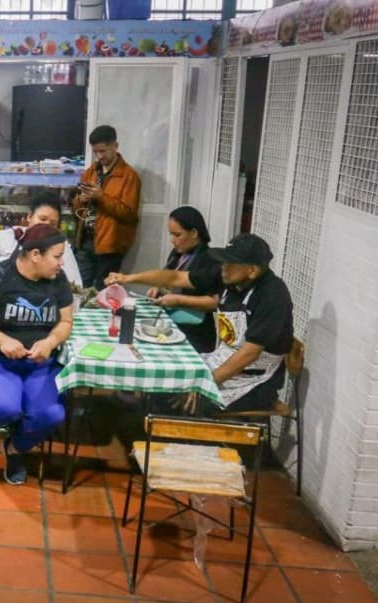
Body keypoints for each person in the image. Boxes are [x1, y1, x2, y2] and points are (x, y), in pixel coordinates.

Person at [106, 233, 294, 412]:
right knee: (164, 383)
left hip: (253, 381)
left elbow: (249, 354)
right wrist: (127, 278)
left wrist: (205, 383)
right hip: (220, 359)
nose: (223, 267)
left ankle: (182, 441)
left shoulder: (272, 296)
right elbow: (176, 277)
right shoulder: (230, 278)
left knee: (180, 403)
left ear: (252, 270)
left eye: (230, 263)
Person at [0, 224, 75, 485]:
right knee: (4, 406)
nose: (60, 263)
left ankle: (15, 448)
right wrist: (2, 340)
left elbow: (66, 321)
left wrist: (51, 341)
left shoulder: (58, 280)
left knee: (51, 414)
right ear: (35, 255)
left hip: (40, 364)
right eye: (56, 256)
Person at [71, 125, 141, 289]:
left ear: (115, 146)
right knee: (79, 289)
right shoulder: (91, 172)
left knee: (103, 295)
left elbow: (129, 214)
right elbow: (76, 207)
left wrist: (101, 197)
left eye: (103, 151)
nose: (99, 156)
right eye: (96, 152)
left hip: (110, 247)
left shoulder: (129, 176)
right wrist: (80, 199)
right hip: (85, 241)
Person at [145, 206, 219, 353]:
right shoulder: (178, 253)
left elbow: (214, 302)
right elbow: (167, 277)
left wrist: (178, 300)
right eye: (171, 235)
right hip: (170, 323)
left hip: (194, 332)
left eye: (177, 235)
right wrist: (157, 288)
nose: (173, 240)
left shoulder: (209, 259)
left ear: (194, 233)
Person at [0, 193, 81, 286]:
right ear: (29, 217)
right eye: (42, 218)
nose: (46, 225)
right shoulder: (8, 237)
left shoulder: (60, 247)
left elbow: (74, 283)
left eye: (53, 223)